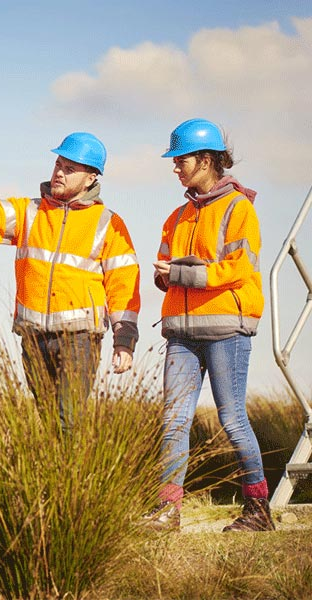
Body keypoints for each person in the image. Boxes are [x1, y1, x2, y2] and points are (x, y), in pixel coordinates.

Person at [0, 133, 141, 429]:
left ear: (91, 178)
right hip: (33, 337)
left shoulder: (108, 223)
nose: (59, 172)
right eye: (58, 164)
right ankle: (56, 475)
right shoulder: (29, 211)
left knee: (68, 422)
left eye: (70, 168)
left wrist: (124, 340)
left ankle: (71, 475)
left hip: (79, 339)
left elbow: (123, 284)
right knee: (49, 421)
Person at [145, 118, 275, 532]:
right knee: (173, 421)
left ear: (205, 160)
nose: (175, 167)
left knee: (232, 419)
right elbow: (165, 266)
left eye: (180, 159)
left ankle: (258, 511)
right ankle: (168, 512)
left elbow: (240, 268)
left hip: (226, 330)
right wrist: (164, 275)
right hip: (181, 333)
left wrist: (182, 274)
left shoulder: (240, 209)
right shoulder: (177, 215)